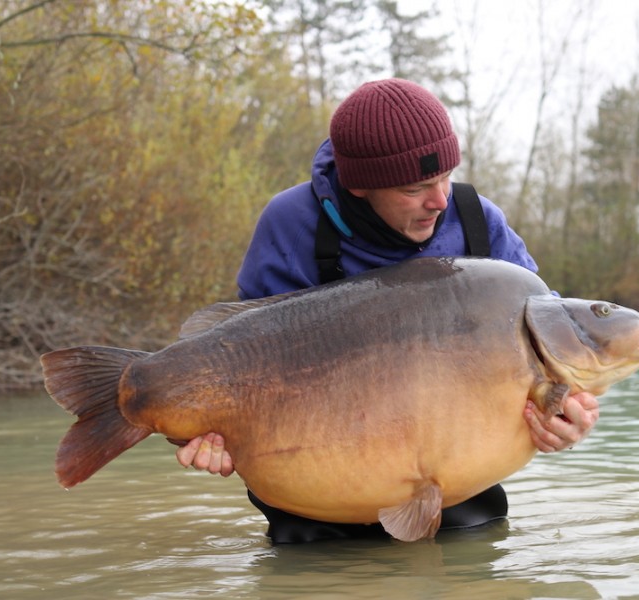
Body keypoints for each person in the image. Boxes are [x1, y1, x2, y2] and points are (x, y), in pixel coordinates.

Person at [176, 78, 599, 543]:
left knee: (474, 563)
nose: (439, 201)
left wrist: (568, 413)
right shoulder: (292, 224)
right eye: (415, 187)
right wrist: (205, 433)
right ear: (359, 186)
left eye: (445, 177)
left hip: (452, 480)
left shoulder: (478, 222)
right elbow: (241, 364)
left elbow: (558, 341)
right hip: (319, 477)